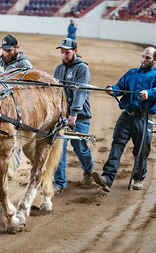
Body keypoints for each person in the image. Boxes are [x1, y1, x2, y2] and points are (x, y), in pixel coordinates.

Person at [92, 47, 156, 192]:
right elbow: (119, 87)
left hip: (144, 118)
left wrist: (148, 93)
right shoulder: (131, 73)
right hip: (126, 116)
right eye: (143, 57)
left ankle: (138, 177)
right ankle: (107, 178)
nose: (144, 60)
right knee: (116, 145)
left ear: (155, 60)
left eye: (148, 58)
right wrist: (112, 89)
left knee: (142, 150)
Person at [52, 38, 94, 195]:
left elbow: (80, 91)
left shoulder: (82, 69)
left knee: (80, 148)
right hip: (62, 117)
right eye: (62, 53)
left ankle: (88, 169)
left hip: (80, 117)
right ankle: (59, 182)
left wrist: (74, 113)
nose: (64, 56)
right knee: (59, 149)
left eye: (67, 53)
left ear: (75, 52)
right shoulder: (58, 69)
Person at [0, 34, 33, 174]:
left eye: (9, 50)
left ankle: (13, 166)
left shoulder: (25, 64)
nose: (6, 53)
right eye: (4, 50)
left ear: (17, 48)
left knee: (15, 135)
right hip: (2, 105)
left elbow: (29, 89)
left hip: (18, 107)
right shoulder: (0, 60)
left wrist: (4, 74)